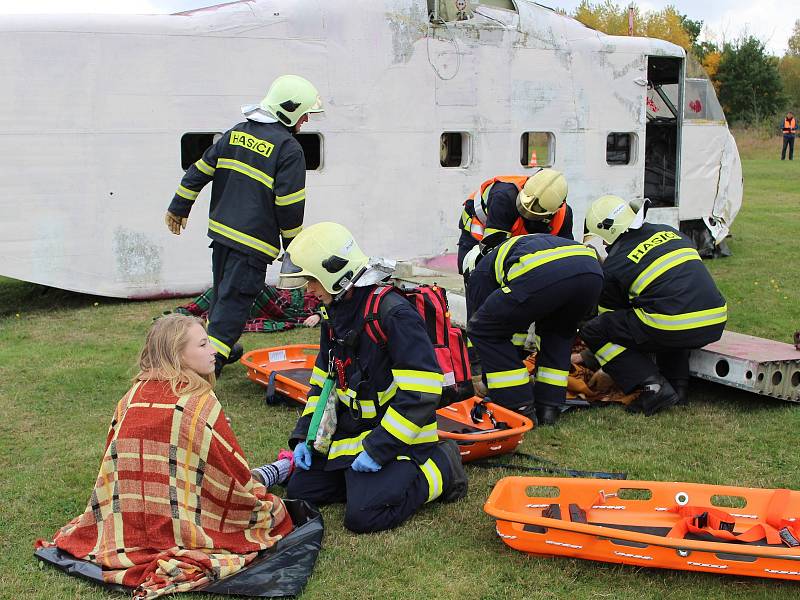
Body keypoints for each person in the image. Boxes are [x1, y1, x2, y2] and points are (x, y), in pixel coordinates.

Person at [36, 314, 295, 598]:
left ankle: (280, 467)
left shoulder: (132, 395)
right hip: (190, 513)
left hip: (128, 516)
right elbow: (232, 475)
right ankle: (282, 467)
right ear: (178, 355)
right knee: (262, 506)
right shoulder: (198, 400)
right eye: (203, 344)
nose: (213, 351)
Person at [276, 222, 468, 533]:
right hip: (355, 432)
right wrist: (307, 438)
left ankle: (444, 466)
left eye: (312, 279)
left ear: (334, 274)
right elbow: (324, 382)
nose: (309, 289)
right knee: (301, 490)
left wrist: (379, 448)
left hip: (400, 437)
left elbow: (422, 393)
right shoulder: (334, 311)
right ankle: (363, 482)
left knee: (364, 516)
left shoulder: (393, 314)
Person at [164, 75, 323, 377]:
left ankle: (219, 347)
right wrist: (294, 250)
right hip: (252, 244)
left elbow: (198, 171)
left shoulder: (236, 134)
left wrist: (179, 206)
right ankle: (209, 366)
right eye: (304, 113)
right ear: (288, 110)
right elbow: (289, 206)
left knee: (224, 295)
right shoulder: (289, 149)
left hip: (221, 236)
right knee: (234, 305)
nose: (305, 120)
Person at [579, 195, 727, 414]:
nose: (603, 244)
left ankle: (652, 386)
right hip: (715, 319)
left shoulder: (615, 265)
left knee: (594, 330)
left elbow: (610, 326)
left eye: (601, 238)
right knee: (663, 317)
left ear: (608, 231)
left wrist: (601, 365)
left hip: (672, 322)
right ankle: (678, 388)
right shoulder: (669, 232)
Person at [464, 234, 603, 425]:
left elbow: (486, 324)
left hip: (543, 272)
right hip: (591, 271)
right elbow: (516, 322)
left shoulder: (480, 272)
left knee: (483, 328)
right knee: (557, 333)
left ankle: (518, 406)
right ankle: (548, 408)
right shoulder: (523, 246)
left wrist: (487, 377)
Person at [457, 168, 574, 278]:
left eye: (535, 213)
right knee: (477, 271)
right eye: (524, 206)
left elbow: (566, 257)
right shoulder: (503, 196)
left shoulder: (564, 216)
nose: (526, 213)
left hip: (515, 240)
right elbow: (492, 249)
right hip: (480, 236)